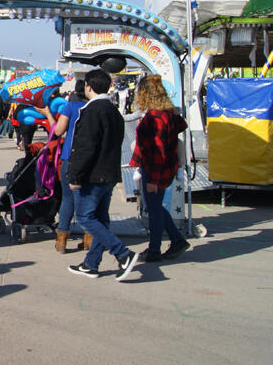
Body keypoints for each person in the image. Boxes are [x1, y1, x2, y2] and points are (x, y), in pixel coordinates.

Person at [67, 69, 139, 281]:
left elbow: (86, 147)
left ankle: (123, 253)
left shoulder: (92, 111)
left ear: (88, 86)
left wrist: (74, 175)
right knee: (100, 219)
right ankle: (92, 263)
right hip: (109, 172)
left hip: (93, 175)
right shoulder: (113, 111)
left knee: (85, 217)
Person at [129, 75, 190, 263]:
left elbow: (157, 150)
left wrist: (153, 180)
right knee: (155, 207)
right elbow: (182, 126)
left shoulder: (154, 117)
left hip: (155, 169)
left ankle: (155, 249)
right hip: (167, 167)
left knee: (154, 210)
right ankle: (176, 240)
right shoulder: (168, 113)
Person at [50, 79, 89, 253]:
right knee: (87, 199)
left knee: (68, 199)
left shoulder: (70, 107)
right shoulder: (93, 107)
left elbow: (58, 131)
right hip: (89, 160)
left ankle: (62, 240)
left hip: (69, 157)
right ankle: (89, 238)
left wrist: (47, 114)